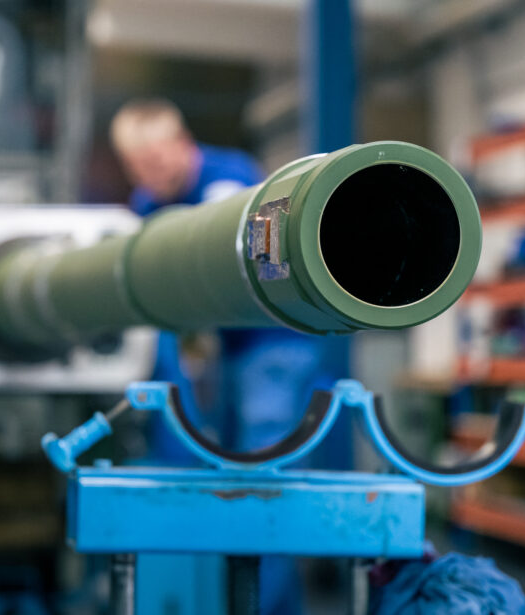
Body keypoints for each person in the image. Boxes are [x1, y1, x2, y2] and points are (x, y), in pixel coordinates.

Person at [110, 98, 351, 615]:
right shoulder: (150, 203)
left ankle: (267, 606)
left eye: (155, 161)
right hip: (228, 352)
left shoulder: (231, 179)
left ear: (182, 145)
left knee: (266, 476)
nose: (148, 176)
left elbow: (228, 247)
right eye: (137, 166)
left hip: (274, 345)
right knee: (225, 472)